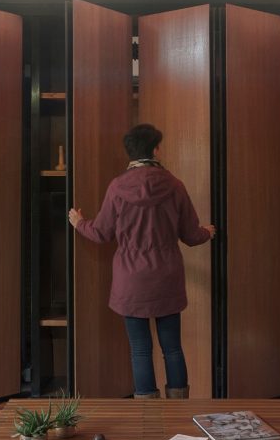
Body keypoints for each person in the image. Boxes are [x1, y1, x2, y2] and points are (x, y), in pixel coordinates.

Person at [68, 123, 216, 399]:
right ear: (156, 149)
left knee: (139, 348)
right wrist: (207, 232)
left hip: (131, 279)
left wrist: (79, 223)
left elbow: (101, 232)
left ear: (130, 152)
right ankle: (178, 408)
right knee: (172, 347)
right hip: (167, 277)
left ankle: (147, 410)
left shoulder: (117, 187)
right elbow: (191, 235)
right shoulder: (174, 185)